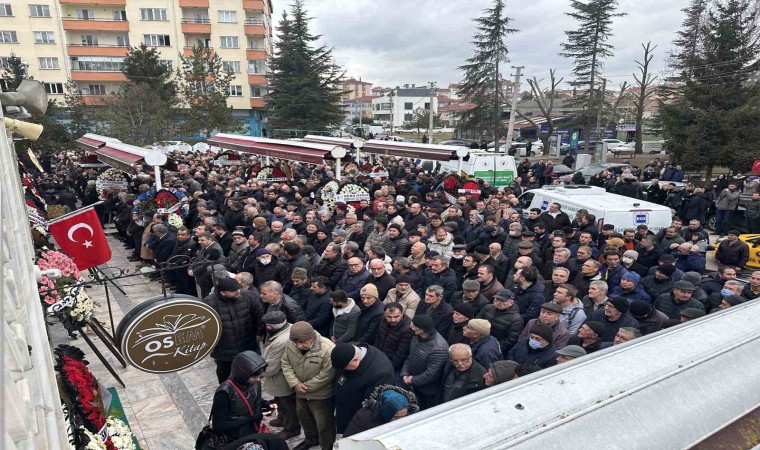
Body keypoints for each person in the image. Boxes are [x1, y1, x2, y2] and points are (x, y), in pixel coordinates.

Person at [281, 322, 336, 450]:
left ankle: (327, 446)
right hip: (300, 392)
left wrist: (305, 386)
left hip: (321, 395)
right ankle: (311, 439)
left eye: (302, 342)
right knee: (304, 418)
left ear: (311, 337)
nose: (299, 345)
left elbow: (327, 374)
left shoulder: (328, 348)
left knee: (324, 424)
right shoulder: (291, 344)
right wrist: (294, 383)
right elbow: (285, 363)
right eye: (296, 342)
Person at [203, 278, 265, 383]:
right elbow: (205, 327)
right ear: (222, 292)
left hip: (248, 344)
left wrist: (259, 333)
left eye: (238, 289)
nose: (238, 292)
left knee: (251, 374)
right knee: (225, 377)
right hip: (224, 349)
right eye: (233, 291)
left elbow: (259, 316)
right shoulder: (209, 303)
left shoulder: (248, 296)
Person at [330, 343, 395, 435]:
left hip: (355, 421)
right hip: (343, 410)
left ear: (356, 360)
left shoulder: (381, 374)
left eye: (346, 368)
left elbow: (370, 409)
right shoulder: (351, 351)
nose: (343, 371)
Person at [210, 351, 267, 442]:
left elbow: (249, 397)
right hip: (235, 438)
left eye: (260, 376)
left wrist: (265, 404)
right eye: (254, 377)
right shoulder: (224, 392)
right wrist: (251, 418)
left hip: (251, 431)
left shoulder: (253, 382)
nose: (258, 379)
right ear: (242, 374)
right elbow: (218, 426)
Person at [259, 312, 300, 440]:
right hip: (281, 377)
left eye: (267, 325)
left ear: (271, 326)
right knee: (280, 401)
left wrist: (258, 373)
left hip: (282, 379)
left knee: (287, 404)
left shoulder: (281, 341)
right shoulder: (287, 328)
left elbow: (271, 367)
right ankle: (282, 418)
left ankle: (291, 429)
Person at [401, 314, 449, 410]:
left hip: (428, 392)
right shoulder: (416, 337)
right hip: (415, 385)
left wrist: (412, 380)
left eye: (413, 326)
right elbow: (410, 357)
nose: (410, 327)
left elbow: (432, 374)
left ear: (422, 330)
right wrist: (405, 373)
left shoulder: (438, 348)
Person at [343, 385, 419, 437]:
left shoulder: (411, 414)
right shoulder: (363, 417)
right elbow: (349, 440)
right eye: (396, 417)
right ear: (386, 412)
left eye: (404, 416)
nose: (400, 420)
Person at [477, 288, 524, 358]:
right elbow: (477, 321)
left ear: (511, 302)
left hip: (494, 350)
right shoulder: (487, 308)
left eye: (502, 301)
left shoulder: (516, 319)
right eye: (496, 299)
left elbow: (511, 340)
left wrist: (494, 347)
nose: (498, 302)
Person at [373, 302, 414, 379]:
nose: (392, 320)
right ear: (385, 314)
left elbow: (401, 353)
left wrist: (388, 366)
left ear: (402, 314)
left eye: (396, 317)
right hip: (379, 357)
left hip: (391, 363)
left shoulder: (407, 329)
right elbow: (378, 338)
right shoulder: (383, 320)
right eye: (389, 316)